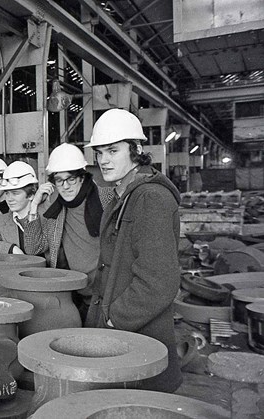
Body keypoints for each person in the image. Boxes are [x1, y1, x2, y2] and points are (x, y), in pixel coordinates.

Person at [84, 108, 182, 393]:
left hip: (138, 339)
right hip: (123, 336)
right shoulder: (125, 193)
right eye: (99, 152)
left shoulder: (151, 198)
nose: (103, 160)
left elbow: (159, 281)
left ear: (136, 150)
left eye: (112, 151)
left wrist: (115, 318)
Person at [31, 143, 114, 319]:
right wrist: (33, 206)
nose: (65, 186)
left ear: (82, 178)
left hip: (109, 294)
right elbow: (33, 247)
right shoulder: (56, 208)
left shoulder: (107, 199)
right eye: (59, 180)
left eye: (71, 179)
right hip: (76, 294)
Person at [0, 161, 45, 256]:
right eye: (7, 193)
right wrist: (11, 248)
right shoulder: (3, 221)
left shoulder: (46, 217)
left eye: (15, 193)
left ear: (31, 194)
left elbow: (36, 249)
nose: (9, 199)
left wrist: (34, 206)